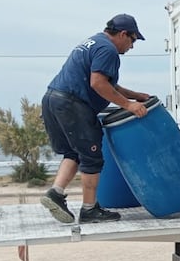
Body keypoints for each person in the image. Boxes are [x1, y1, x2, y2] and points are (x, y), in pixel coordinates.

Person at [40, 14, 151, 224]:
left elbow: (107, 84)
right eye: (133, 40)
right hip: (74, 104)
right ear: (123, 34)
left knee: (73, 152)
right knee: (92, 158)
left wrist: (135, 95)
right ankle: (89, 209)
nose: (132, 46)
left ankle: (55, 193)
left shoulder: (93, 42)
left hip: (52, 99)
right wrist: (129, 105)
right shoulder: (108, 50)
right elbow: (98, 84)